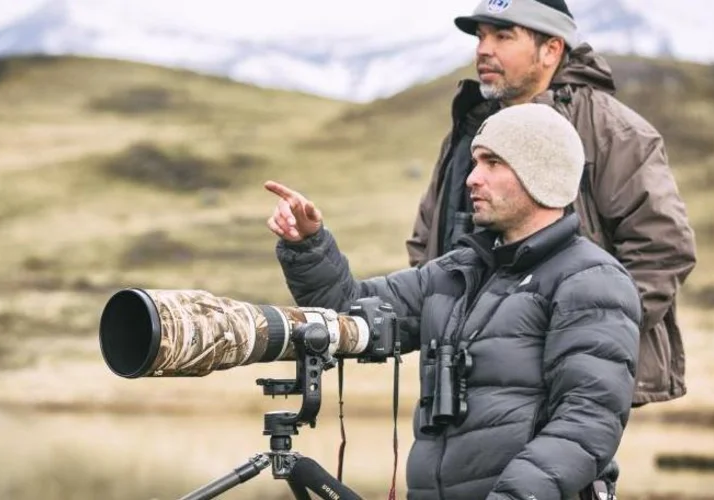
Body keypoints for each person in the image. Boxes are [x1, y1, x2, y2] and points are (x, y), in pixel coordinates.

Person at [265, 103, 641, 500]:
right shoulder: (455, 271)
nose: (472, 178)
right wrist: (308, 245)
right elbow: (351, 308)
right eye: (476, 161)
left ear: (541, 175)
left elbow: (587, 423)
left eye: (493, 163)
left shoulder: (593, 281)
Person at [406, 0, 696, 406]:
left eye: (503, 35)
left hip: (562, 384)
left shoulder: (613, 132)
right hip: (461, 378)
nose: (483, 49)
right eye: (480, 36)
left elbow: (663, 249)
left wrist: (586, 338)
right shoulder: (471, 131)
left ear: (551, 50)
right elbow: (427, 242)